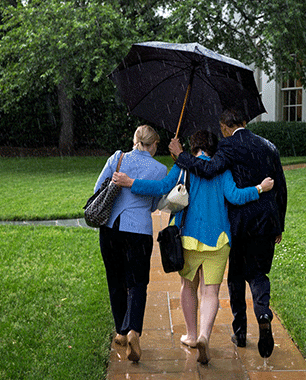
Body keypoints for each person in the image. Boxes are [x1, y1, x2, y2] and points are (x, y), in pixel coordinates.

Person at [112, 130, 274, 364]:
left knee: (188, 286)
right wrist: (260, 188)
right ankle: (204, 336)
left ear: (193, 146)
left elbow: (161, 187)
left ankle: (190, 335)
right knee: (210, 291)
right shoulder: (222, 169)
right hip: (218, 240)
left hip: (188, 237)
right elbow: (235, 196)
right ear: (213, 148)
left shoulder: (183, 167)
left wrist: (130, 183)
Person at [168, 108, 287, 359]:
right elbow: (281, 188)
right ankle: (263, 312)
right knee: (259, 273)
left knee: (236, 276)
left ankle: (240, 332)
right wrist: (279, 225)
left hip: (240, 222)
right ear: (245, 122)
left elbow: (208, 170)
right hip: (267, 222)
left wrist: (180, 156)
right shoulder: (269, 147)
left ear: (224, 127)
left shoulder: (227, 146)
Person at [94, 125, 168, 362]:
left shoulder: (117, 158)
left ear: (135, 140)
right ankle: (134, 330)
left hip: (111, 229)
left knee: (115, 280)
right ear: (153, 144)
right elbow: (155, 204)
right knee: (137, 283)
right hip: (139, 232)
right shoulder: (160, 169)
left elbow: (98, 189)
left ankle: (121, 331)